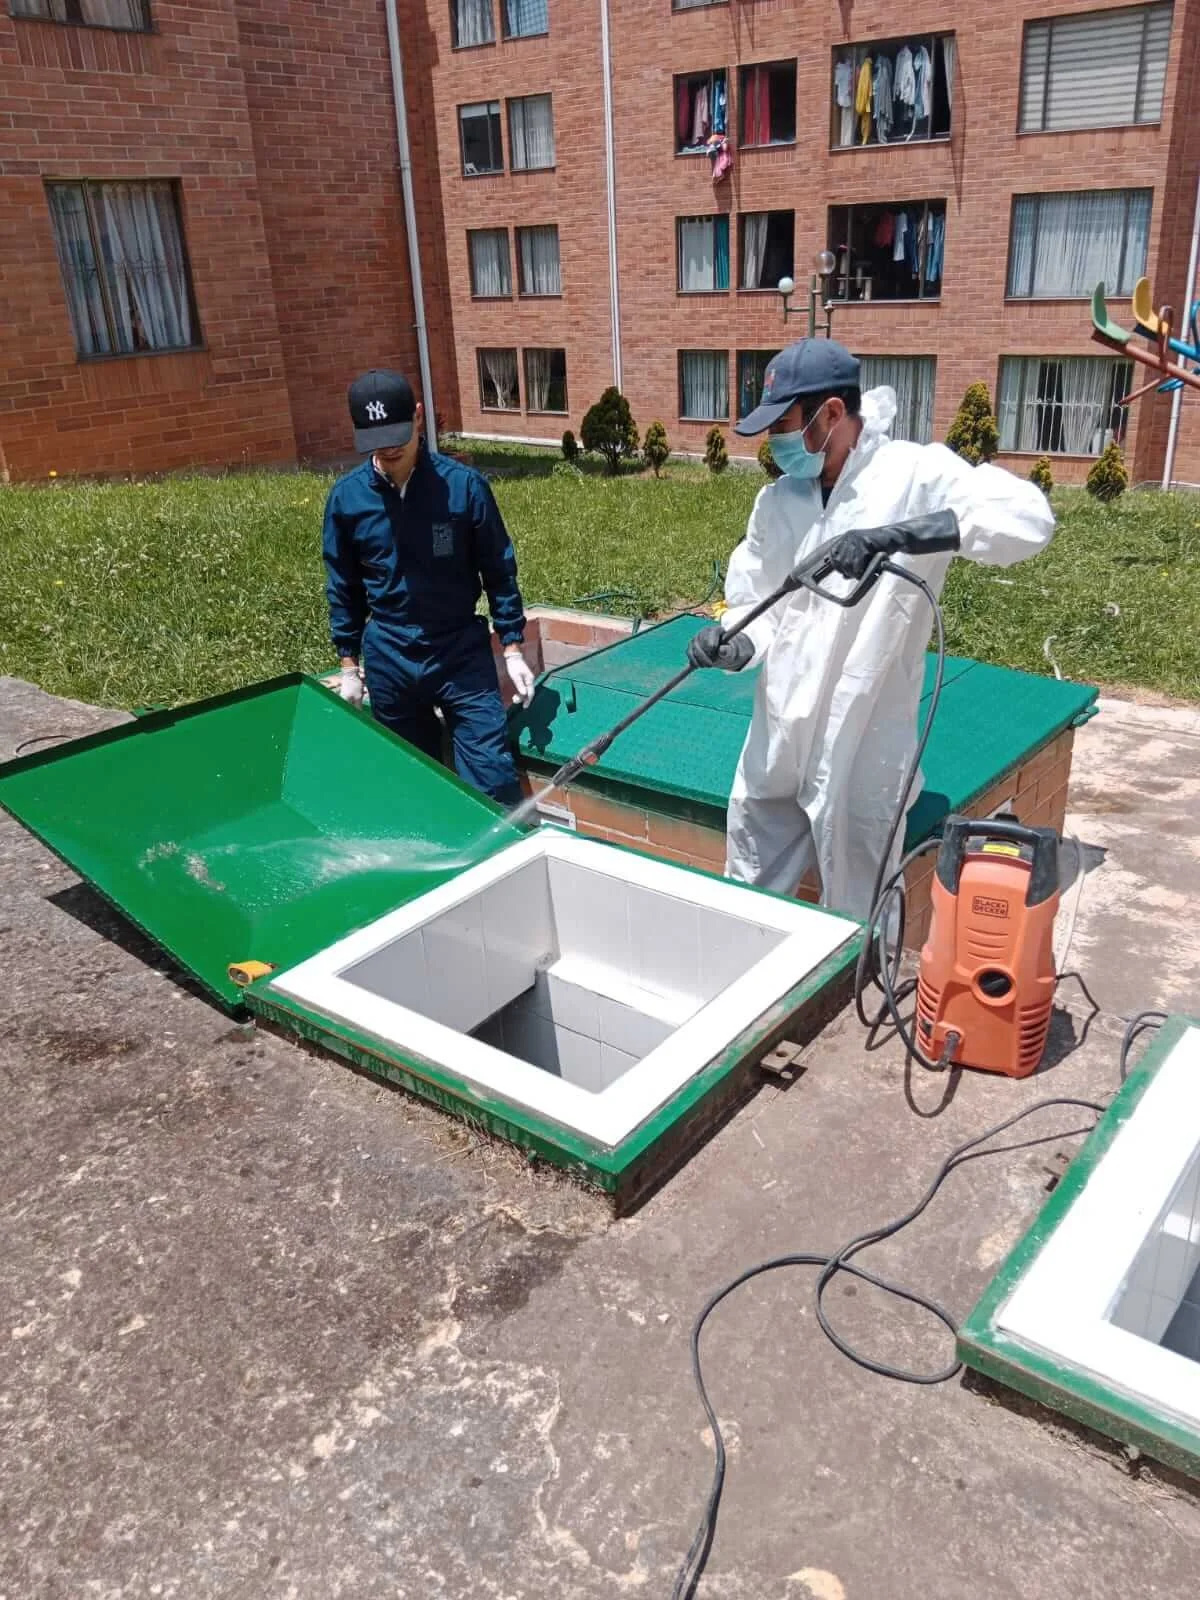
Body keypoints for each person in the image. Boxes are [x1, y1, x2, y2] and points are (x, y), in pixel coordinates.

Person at [687, 339, 1055, 920]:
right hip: (779, 732)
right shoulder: (779, 501)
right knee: (749, 883)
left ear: (832, 413)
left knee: (861, 905)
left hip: (864, 738)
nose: (776, 445)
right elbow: (754, 600)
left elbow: (1030, 520)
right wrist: (732, 641)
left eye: (785, 426)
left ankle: (862, 1005)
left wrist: (898, 537)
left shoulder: (914, 475)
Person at [322, 369, 534, 805]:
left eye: (398, 432)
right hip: (389, 652)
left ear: (419, 417)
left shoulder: (463, 488)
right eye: (377, 437)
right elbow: (343, 585)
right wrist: (348, 666)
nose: (390, 446)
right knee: (410, 781)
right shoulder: (347, 500)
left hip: (458, 649)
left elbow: (498, 568)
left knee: (492, 780)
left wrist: (511, 646)